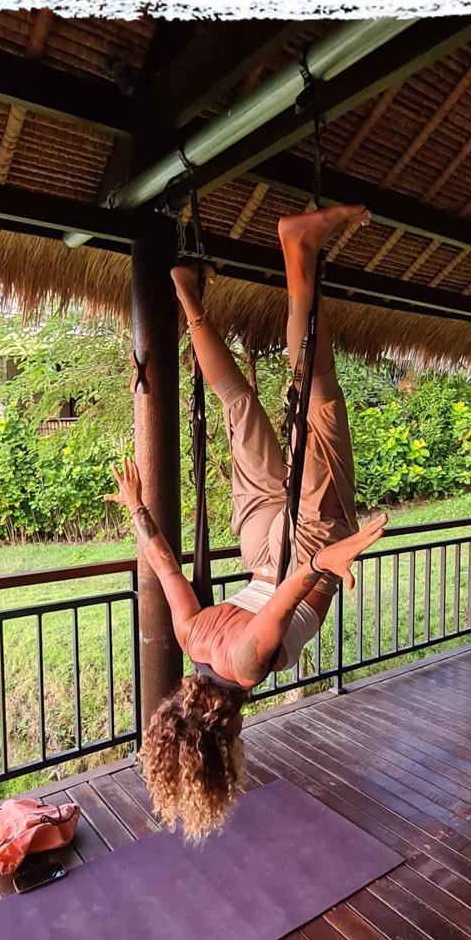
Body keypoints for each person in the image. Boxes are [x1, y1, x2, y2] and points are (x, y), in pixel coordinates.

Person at [105, 204, 388, 840]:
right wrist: (138, 509)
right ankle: (188, 297)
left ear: (221, 738)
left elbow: (282, 607)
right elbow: (164, 566)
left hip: (305, 545)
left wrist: (327, 563)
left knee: (317, 394)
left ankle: (299, 247)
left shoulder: (245, 665)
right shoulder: (191, 639)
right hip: (259, 540)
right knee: (238, 404)